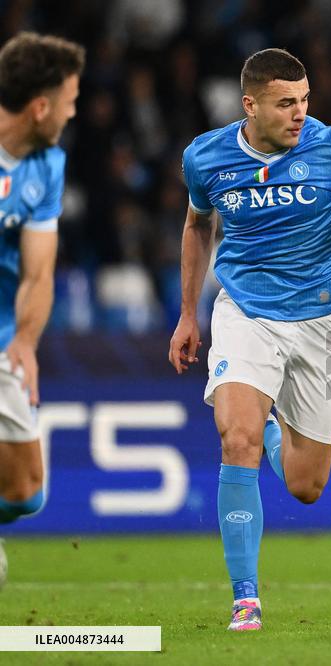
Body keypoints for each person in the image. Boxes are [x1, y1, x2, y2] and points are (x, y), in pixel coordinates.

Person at [168, 48, 331, 631]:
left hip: (325, 324)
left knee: (307, 487)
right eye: (287, 103)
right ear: (250, 105)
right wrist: (188, 313)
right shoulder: (205, 157)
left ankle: (272, 431)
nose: (300, 113)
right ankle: (246, 597)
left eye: (305, 100)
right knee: (236, 440)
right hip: (245, 313)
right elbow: (195, 224)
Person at [0, 33, 84, 570]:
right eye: (70, 102)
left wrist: (26, 342)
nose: (73, 113)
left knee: (26, 491)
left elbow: (38, 271)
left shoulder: (47, 165)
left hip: (4, 334)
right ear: (40, 107)